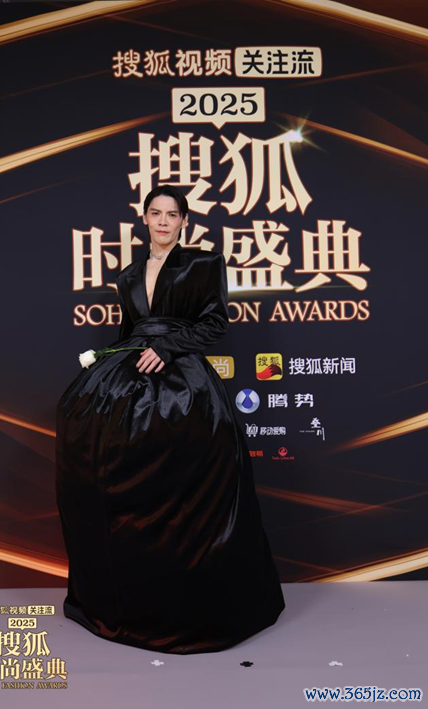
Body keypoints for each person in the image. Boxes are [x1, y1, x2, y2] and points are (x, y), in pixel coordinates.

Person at [55, 185, 285, 654]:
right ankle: (133, 599)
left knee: (189, 486)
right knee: (113, 469)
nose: (163, 221)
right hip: (130, 371)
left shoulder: (204, 263)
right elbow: (128, 330)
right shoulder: (128, 275)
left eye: (172, 214)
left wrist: (167, 346)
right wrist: (110, 360)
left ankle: (192, 604)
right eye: (156, 213)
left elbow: (215, 322)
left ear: (184, 221)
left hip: (185, 382)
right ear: (144, 218)